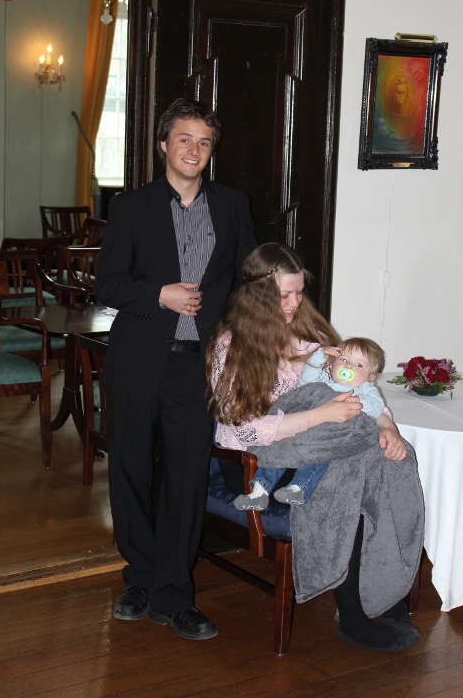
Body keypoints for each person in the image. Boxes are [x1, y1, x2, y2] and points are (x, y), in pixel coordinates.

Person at [95, 98, 257, 642]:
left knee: (186, 480)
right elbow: (107, 284)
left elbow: (248, 282)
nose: (194, 149)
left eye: (204, 142)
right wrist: (158, 294)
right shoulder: (131, 207)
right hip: (137, 360)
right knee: (131, 474)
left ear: (212, 151)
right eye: (184, 139)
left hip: (197, 366)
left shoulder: (233, 205)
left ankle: (173, 594)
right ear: (164, 144)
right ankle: (139, 578)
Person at [207, 242, 421, 652]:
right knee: (350, 469)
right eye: (284, 295)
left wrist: (388, 427)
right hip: (257, 463)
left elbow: (361, 391)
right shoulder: (232, 344)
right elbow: (241, 429)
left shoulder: (315, 337)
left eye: (299, 293)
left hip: (320, 450)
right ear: (257, 294)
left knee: (388, 459)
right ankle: (355, 616)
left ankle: (382, 593)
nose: (294, 303)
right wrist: (320, 416)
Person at [233, 337, 387, 510]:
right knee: (279, 450)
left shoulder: (365, 389)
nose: (348, 366)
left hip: (329, 438)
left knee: (320, 454)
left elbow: (377, 408)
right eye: (343, 360)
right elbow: (306, 380)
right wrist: (319, 356)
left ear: (370, 377)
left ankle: (299, 488)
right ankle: (259, 491)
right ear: (333, 365)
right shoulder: (326, 382)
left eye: (358, 365)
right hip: (303, 432)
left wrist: (354, 399)